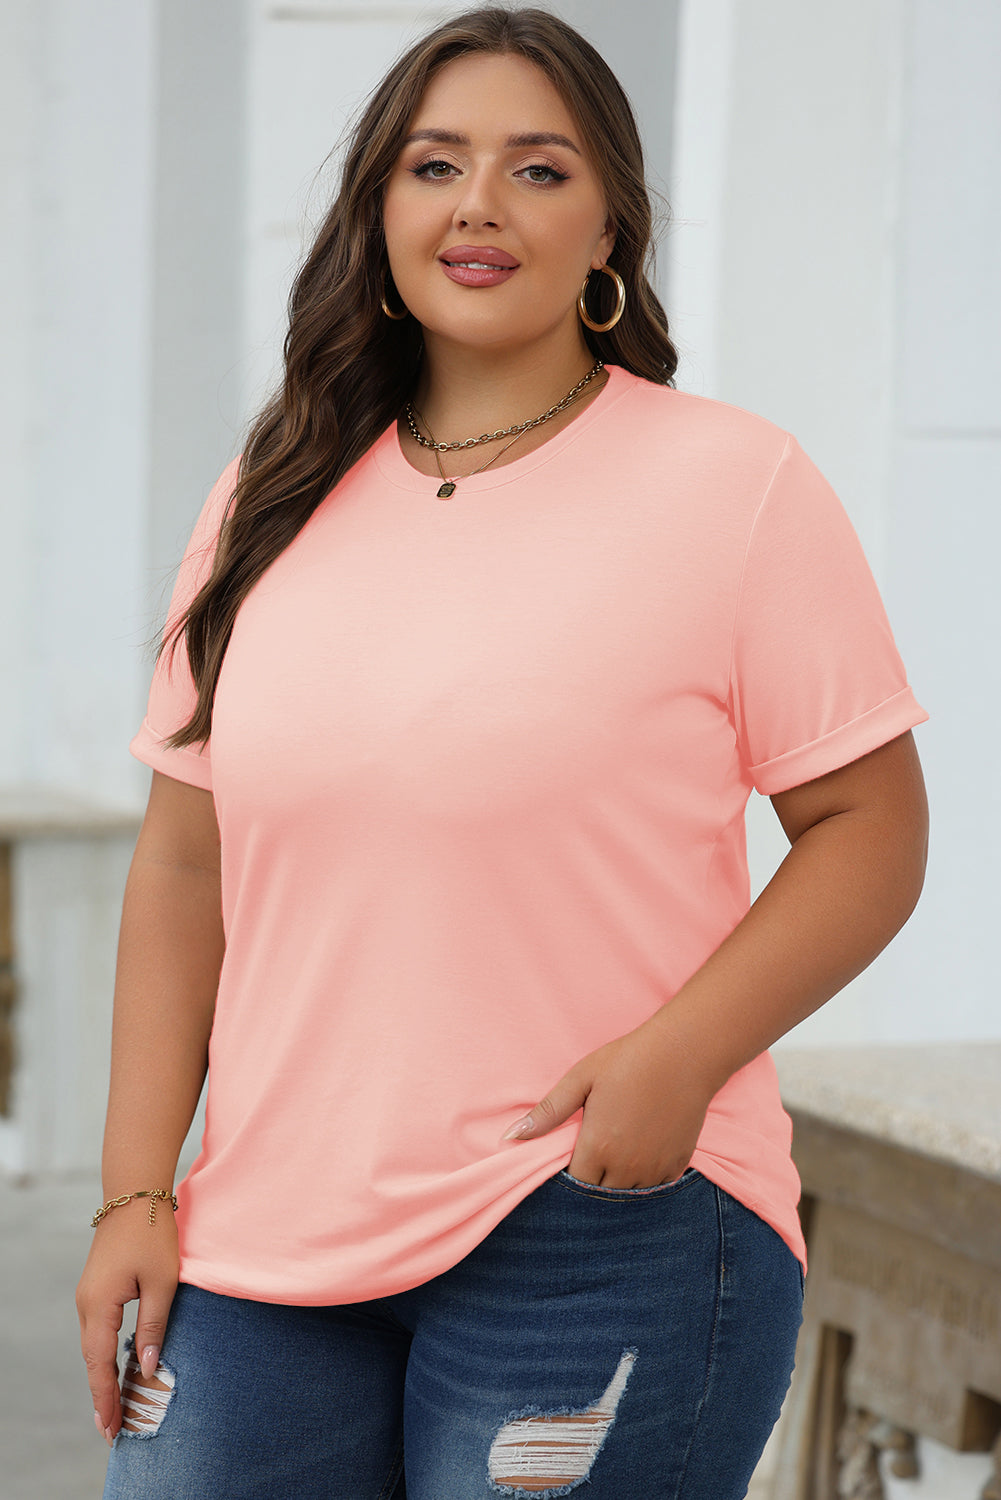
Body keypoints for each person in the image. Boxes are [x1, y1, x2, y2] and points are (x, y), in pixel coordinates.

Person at [76, 7, 929, 1497]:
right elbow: (186, 861)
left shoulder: (732, 487)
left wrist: (677, 1060)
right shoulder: (269, 493)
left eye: (539, 170)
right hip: (263, 1240)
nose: (478, 204)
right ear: (378, 215)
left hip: (599, 1221)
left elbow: (870, 827)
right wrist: (135, 1192)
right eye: (434, 165)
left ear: (609, 230)